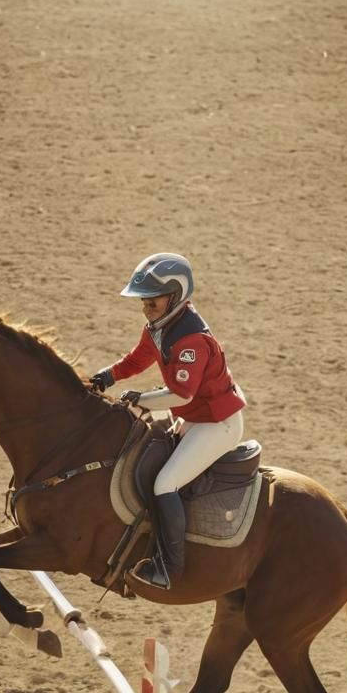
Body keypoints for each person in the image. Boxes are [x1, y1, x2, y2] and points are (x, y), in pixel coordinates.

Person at [90, 252, 246, 590]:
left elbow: (181, 394)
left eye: (153, 299)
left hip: (215, 425)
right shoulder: (161, 327)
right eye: (143, 299)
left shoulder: (191, 341)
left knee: (165, 483)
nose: (146, 306)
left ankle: (168, 568)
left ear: (175, 296)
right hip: (192, 417)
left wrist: (140, 399)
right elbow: (137, 359)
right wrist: (106, 376)